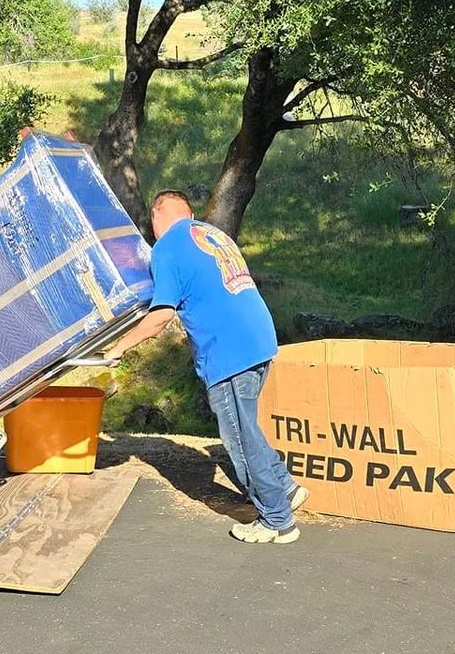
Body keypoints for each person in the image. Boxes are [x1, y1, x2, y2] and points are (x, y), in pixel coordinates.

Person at [105, 189, 305, 543]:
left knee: (239, 439)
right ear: (190, 213)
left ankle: (277, 520)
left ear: (156, 217)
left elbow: (161, 315)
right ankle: (285, 487)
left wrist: (119, 347)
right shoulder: (213, 235)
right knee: (248, 427)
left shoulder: (167, 248)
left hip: (228, 352)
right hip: (259, 339)